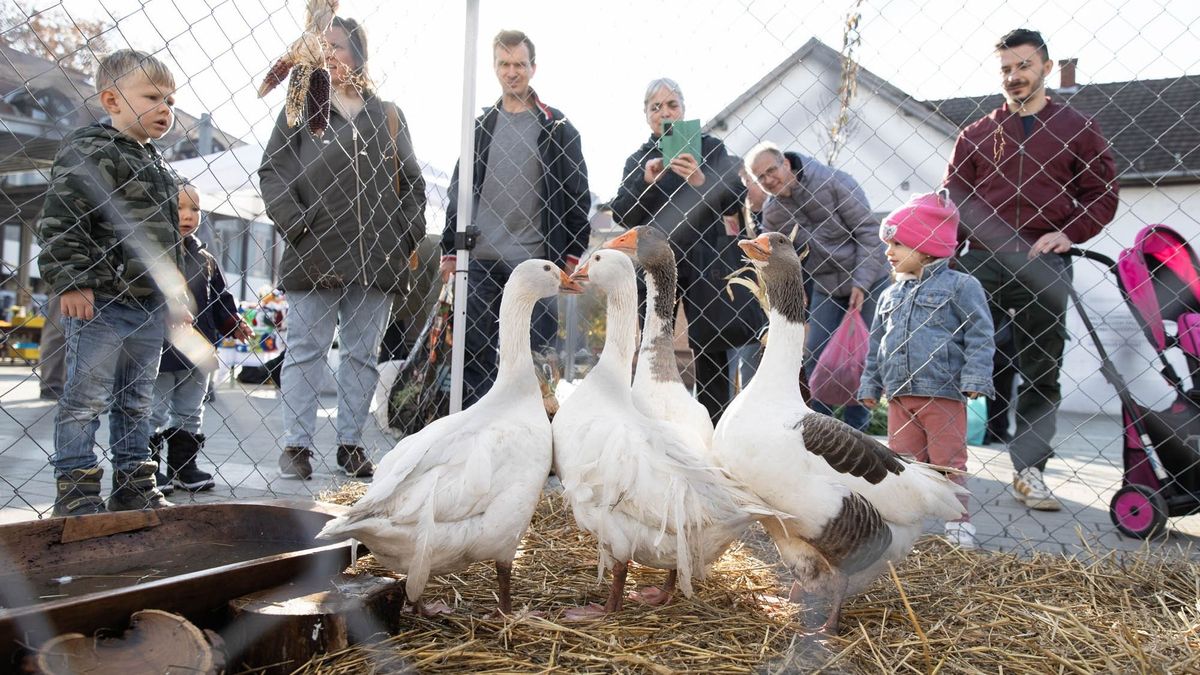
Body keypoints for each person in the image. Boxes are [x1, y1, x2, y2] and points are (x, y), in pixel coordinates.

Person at [944, 28, 1118, 510]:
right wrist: (946, 259)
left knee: (1042, 368)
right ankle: (941, 466)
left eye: (1023, 66)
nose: (1014, 76)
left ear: (1045, 67)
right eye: (1006, 69)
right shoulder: (976, 134)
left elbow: (1102, 193)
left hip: (1043, 262)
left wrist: (1070, 233)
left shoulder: (1078, 127)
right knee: (950, 356)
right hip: (982, 261)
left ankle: (1029, 471)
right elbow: (953, 201)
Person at [260, 16, 427, 480]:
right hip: (314, 251)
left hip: (377, 257)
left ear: (359, 55)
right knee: (305, 350)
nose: (329, 55)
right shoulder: (300, 110)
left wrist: (404, 235)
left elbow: (412, 183)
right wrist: (298, 225)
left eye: (338, 46)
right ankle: (297, 446)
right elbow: (272, 171)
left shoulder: (388, 115)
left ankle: (351, 444)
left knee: (362, 356)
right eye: (322, 47)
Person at [37, 49, 184, 516]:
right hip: (100, 301)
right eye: (152, 98)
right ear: (112, 101)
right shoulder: (90, 149)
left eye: (171, 101)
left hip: (148, 306)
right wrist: (73, 281)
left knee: (138, 401)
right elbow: (62, 219)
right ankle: (77, 489)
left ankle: (134, 482)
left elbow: (169, 242)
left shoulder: (158, 164)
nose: (166, 109)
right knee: (86, 399)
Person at [440, 29, 590, 406]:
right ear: (495, 67)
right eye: (504, 64)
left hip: (535, 262)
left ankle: (531, 429)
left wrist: (571, 257)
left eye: (519, 65)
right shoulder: (480, 128)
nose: (512, 72)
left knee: (535, 360)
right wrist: (449, 250)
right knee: (475, 357)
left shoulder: (558, 128)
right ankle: (478, 430)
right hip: (480, 261)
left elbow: (577, 195)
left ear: (533, 68)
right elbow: (459, 190)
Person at [611, 78, 764, 420]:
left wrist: (700, 180)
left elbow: (736, 201)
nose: (664, 113)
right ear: (646, 115)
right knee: (654, 346)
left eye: (671, 105)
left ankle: (712, 427)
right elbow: (622, 214)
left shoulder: (710, 149)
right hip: (656, 261)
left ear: (684, 109)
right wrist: (646, 182)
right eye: (655, 107)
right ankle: (654, 421)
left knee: (711, 349)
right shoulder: (640, 159)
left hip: (707, 261)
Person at [858, 192, 995, 549]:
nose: (888, 252)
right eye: (888, 244)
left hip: (943, 393)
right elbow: (877, 343)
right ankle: (906, 522)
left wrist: (976, 377)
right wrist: (870, 382)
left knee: (948, 462)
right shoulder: (889, 295)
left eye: (897, 244)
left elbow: (980, 333)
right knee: (903, 464)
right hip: (899, 396)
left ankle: (957, 521)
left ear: (926, 246)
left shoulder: (961, 287)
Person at [747, 142, 888, 430]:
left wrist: (861, 283)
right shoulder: (774, 211)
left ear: (786, 163)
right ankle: (822, 429)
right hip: (826, 285)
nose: (768, 180)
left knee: (860, 357)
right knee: (814, 353)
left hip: (869, 277)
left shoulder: (834, 182)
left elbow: (868, 232)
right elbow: (776, 257)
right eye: (760, 177)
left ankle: (857, 430)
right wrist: (792, 285)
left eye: (771, 170)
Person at [148, 181, 253, 494]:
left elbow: (220, 299)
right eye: (179, 207)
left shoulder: (205, 258)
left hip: (199, 350)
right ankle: (147, 468)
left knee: (191, 411)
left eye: (194, 208)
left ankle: (183, 467)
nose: (187, 215)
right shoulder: (154, 256)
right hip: (161, 350)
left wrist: (233, 322)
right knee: (154, 410)